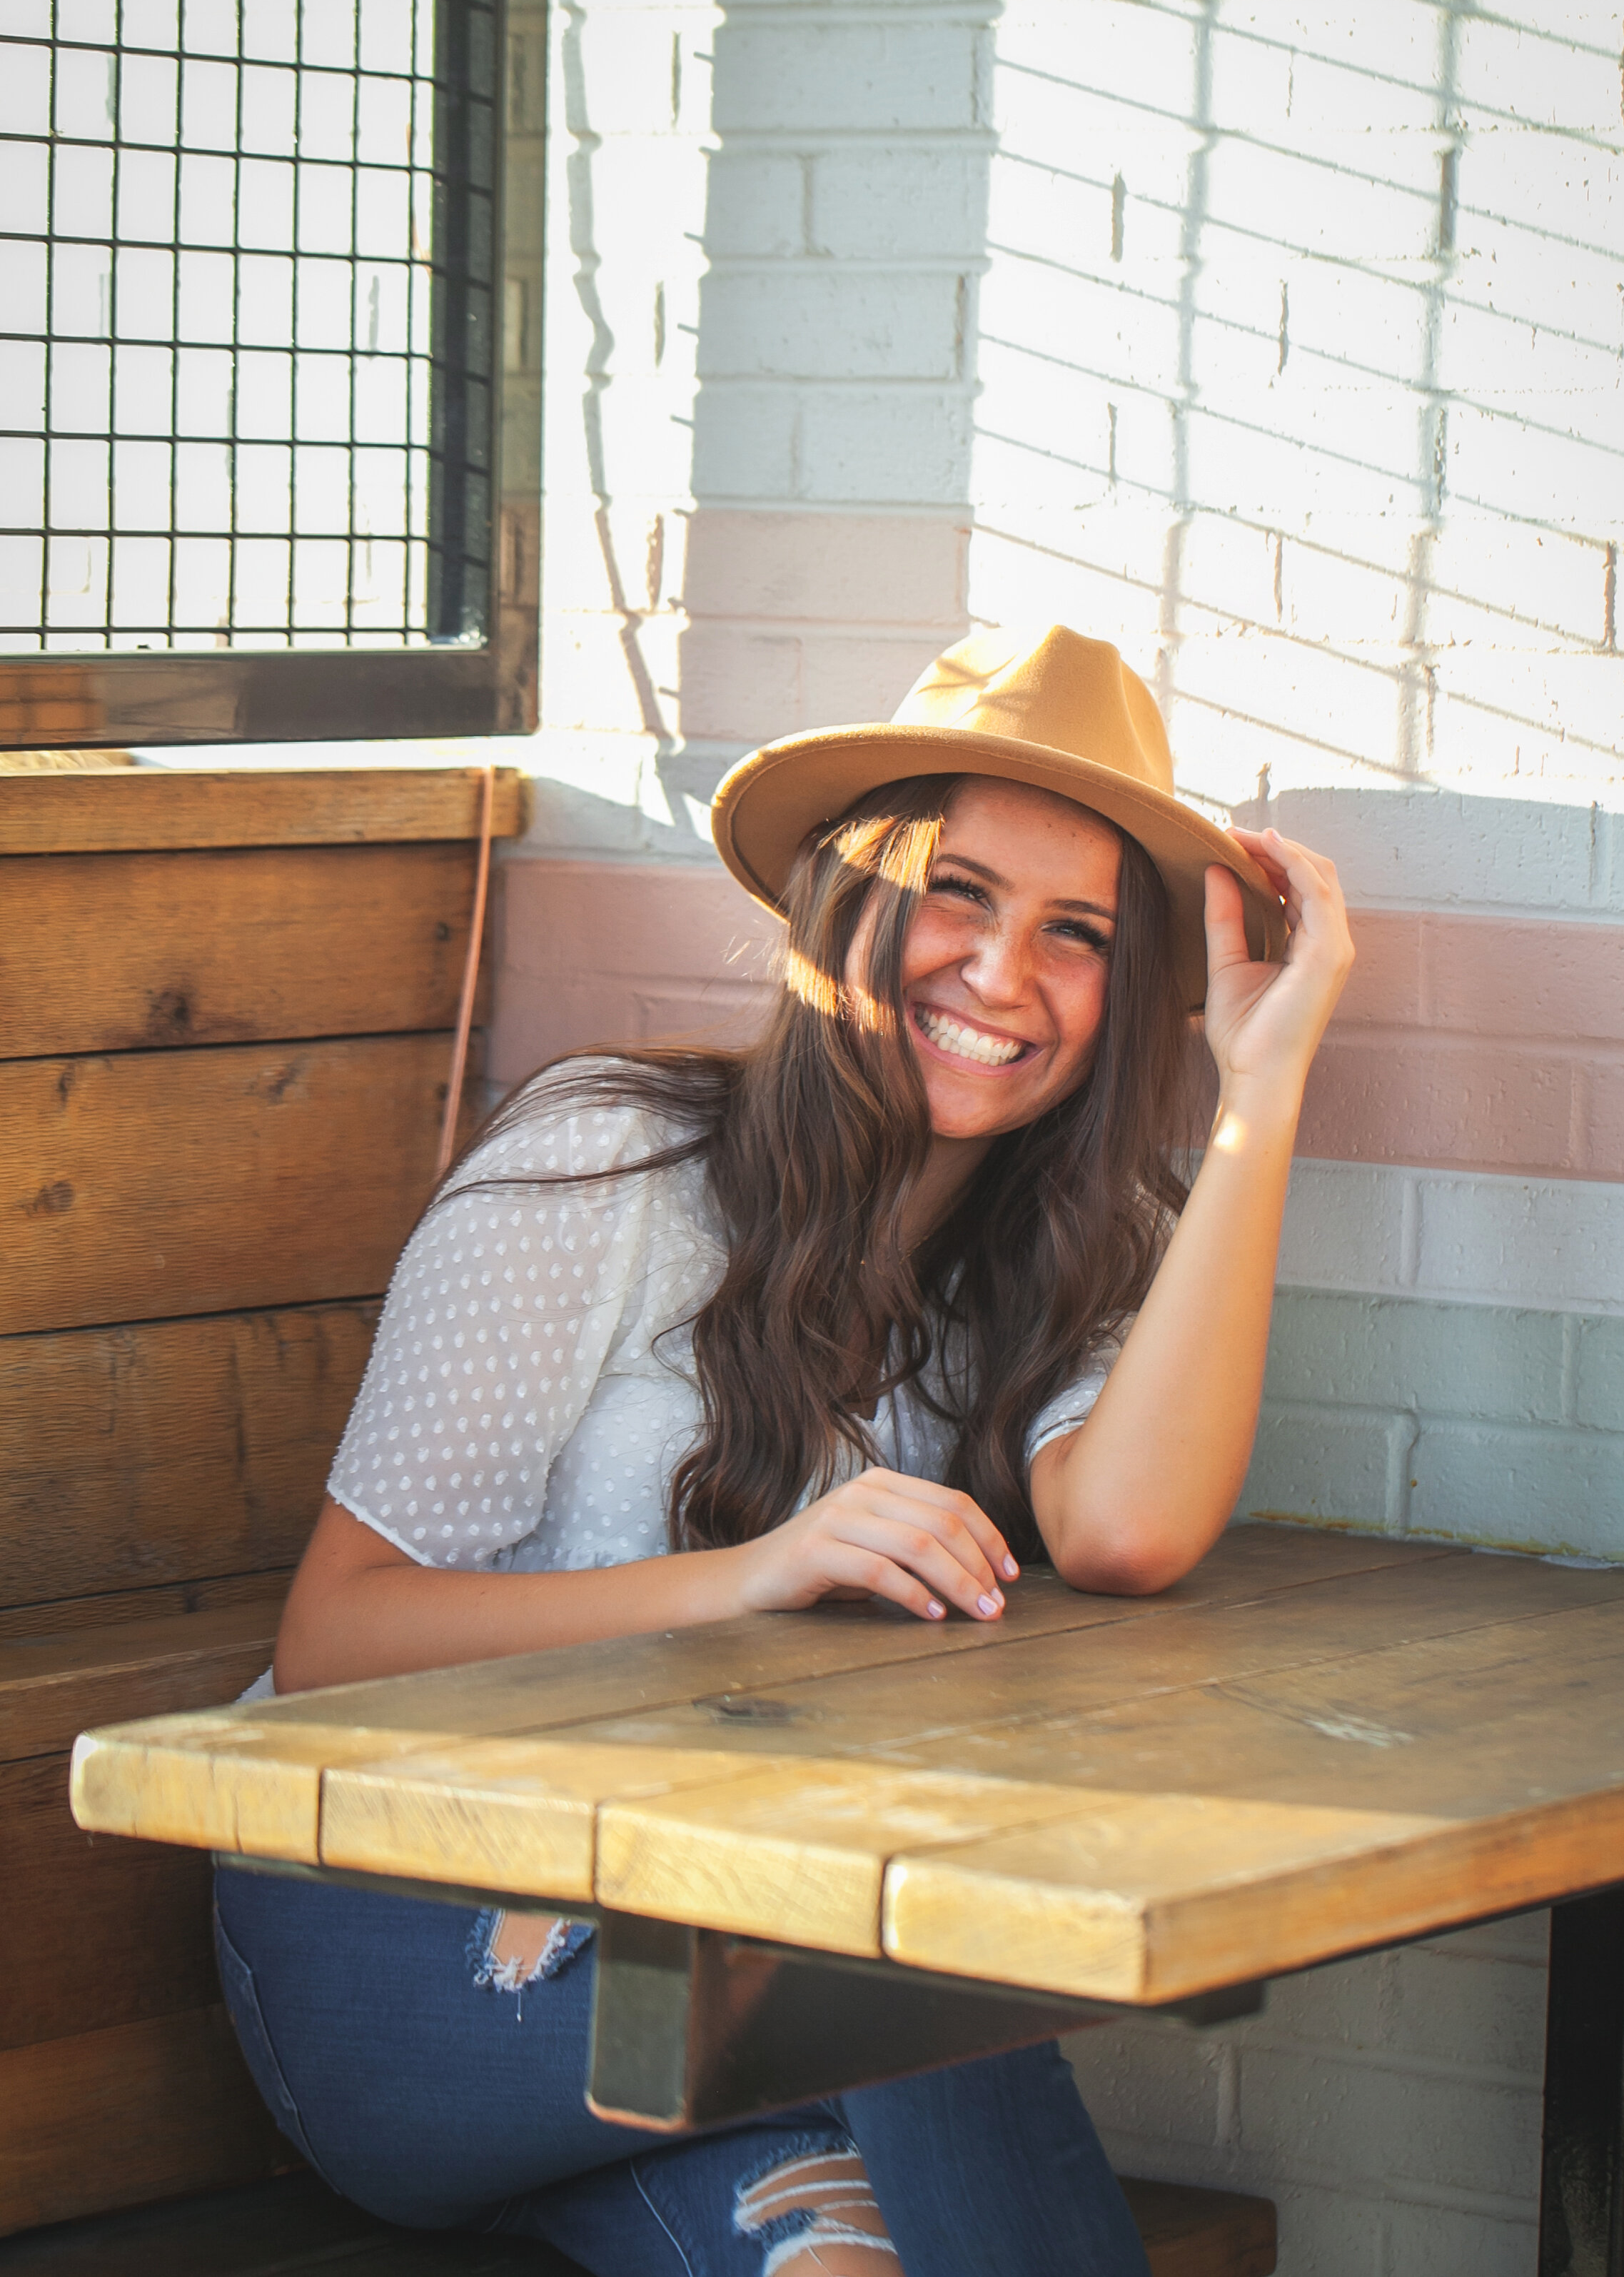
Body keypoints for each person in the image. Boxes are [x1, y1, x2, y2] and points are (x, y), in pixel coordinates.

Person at [213, 624, 1354, 2277]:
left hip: (737, 1962)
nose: (1002, 974)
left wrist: (1264, 1082)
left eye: (1078, 933)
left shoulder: (1074, 1253)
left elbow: (1124, 1533)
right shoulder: (600, 1167)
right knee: (908, 1972)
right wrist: (748, 1579)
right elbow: (334, 1637)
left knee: (834, 2240)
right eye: (959, 892)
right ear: (852, 896)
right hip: (399, 1925)